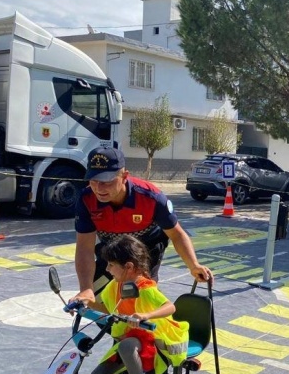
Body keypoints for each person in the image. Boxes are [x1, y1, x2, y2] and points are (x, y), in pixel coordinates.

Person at [71, 147, 213, 305]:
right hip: (113, 250)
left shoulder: (151, 198)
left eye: (107, 182)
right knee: (96, 299)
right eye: (94, 181)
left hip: (145, 250)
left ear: (124, 176)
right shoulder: (86, 199)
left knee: (138, 297)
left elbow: (177, 235)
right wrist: (86, 288)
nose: (99, 188)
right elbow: (84, 247)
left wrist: (194, 266)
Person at [86, 235, 187, 374]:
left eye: (111, 265)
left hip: (155, 339)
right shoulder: (115, 285)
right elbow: (111, 310)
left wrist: (145, 316)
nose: (107, 269)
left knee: (127, 347)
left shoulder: (145, 288)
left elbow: (170, 307)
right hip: (131, 336)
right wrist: (87, 303)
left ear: (128, 266)